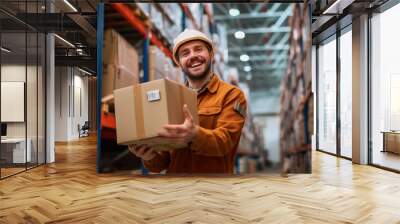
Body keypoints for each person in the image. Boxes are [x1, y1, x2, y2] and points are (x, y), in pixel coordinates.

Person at [128, 29, 247, 174]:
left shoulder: (231, 95)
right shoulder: (173, 99)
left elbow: (226, 142)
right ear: (179, 63)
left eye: (198, 49)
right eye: (185, 53)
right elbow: (163, 162)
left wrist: (194, 135)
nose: (193, 56)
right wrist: (149, 156)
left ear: (211, 54)